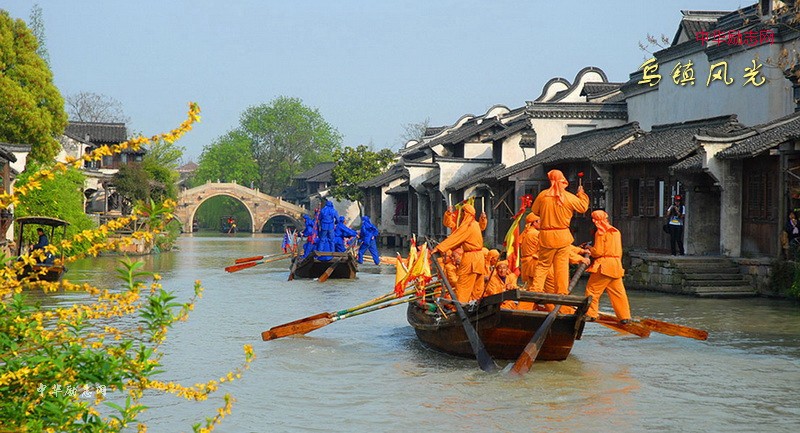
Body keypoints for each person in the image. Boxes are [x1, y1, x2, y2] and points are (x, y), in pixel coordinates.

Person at [530, 169, 589, 297]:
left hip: (547, 235)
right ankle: (562, 291)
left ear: (550, 180)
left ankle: (536, 289)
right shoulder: (569, 197)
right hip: (563, 235)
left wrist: (546, 214)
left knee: (543, 264)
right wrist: (581, 194)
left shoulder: (543, 195)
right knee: (562, 266)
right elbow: (583, 207)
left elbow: (535, 211)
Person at [584, 210, 632, 324]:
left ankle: (591, 314)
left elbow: (598, 252)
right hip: (616, 265)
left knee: (592, 291)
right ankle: (625, 317)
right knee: (618, 293)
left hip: (604, 265)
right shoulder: (616, 231)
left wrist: (589, 248)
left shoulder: (600, 232)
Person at [432, 203, 485, 303]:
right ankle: (475, 304)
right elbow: (450, 225)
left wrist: (439, 248)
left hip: (470, 258)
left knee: (463, 285)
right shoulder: (475, 225)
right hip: (479, 258)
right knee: (477, 285)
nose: (461, 215)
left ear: (466, 214)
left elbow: (454, 238)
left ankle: (461, 306)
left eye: (463, 213)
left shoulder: (467, 226)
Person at [519, 213, 540, 287]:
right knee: (535, 286)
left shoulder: (526, 233)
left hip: (525, 262)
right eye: (539, 221)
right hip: (533, 262)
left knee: (529, 285)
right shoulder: (536, 233)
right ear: (534, 222)